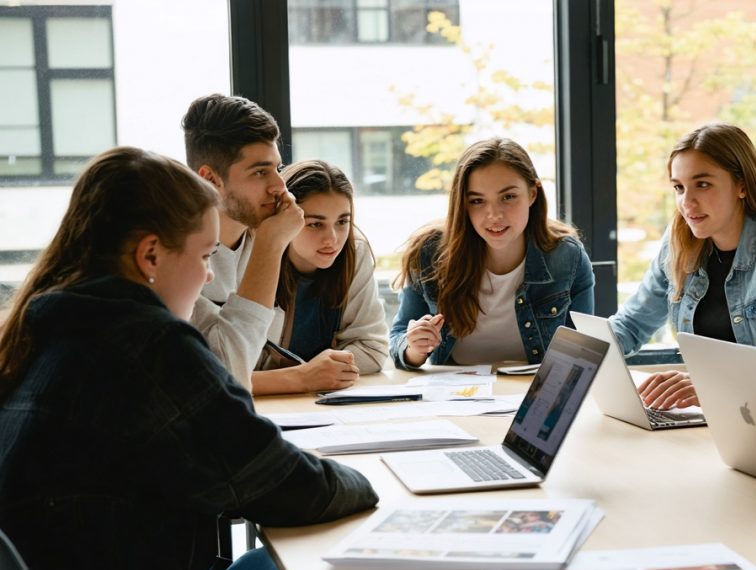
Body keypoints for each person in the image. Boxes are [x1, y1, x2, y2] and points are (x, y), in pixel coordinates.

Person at [0, 147, 379, 570]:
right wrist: (370, 484)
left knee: (258, 565)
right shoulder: (146, 343)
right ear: (151, 254)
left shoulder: (42, 332)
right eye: (204, 256)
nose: (206, 278)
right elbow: (285, 486)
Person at [609, 124, 756, 409]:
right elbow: (632, 325)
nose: (687, 202)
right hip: (708, 414)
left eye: (703, 184)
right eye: (679, 187)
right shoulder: (678, 242)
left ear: (742, 185)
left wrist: (714, 388)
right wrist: (575, 359)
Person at [389, 137, 595, 369]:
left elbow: (581, 354)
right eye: (477, 201)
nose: (494, 215)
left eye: (508, 197)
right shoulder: (428, 253)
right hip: (453, 396)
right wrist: (415, 349)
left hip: (534, 397)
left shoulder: (567, 257)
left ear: (533, 194)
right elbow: (398, 338)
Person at [182, 93, 304, 390]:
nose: (279, 185)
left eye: (277, 168)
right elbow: (227, 376)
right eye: (260, 172)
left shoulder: (275, 228)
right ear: (210, 179)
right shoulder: (177, 257)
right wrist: (271, 246)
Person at [251, 159, 388, 395]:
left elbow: (373, 348)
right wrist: (306, 375)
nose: (332, 239)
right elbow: (226, 371)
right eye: (315, 224)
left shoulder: (354, 254)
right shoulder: (253, 258)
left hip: (318, 398)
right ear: (285, 219)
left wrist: (318, 373)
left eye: (342, 222)